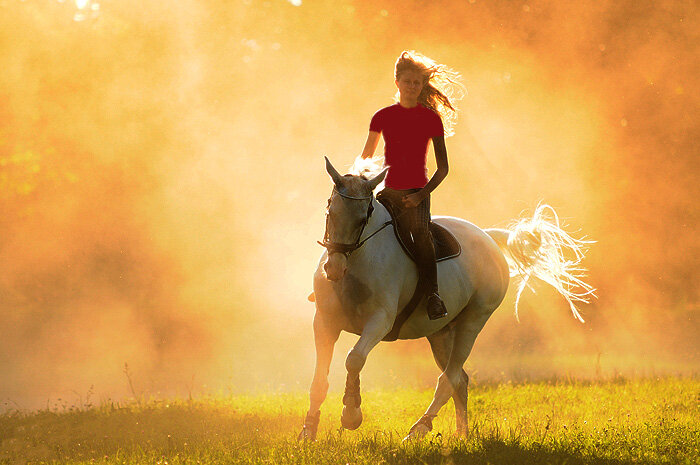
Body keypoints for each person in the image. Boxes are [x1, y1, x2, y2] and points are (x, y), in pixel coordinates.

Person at [360, 50, 462, 320]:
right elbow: (366, 157)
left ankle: (433, 295)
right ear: (397, 83)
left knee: (422, 236)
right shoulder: (381, 116)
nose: (413, 87)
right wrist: (357, 183)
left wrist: (420, 197)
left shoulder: (431, 119)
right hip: (386, 192)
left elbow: (443, 169)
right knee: (352, 224)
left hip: (417, 193)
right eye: (408, 82)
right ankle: (336, 282)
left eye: (417, 83)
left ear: (422, 85)